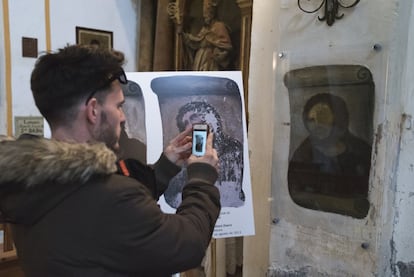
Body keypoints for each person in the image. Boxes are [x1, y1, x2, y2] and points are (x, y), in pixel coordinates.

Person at [0, 44, 220, 276]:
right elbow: (188, 245)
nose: (123, 117)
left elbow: (107, 210)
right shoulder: (112, 197)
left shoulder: (28, 179)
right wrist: (202, 178)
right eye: (119, 106)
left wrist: (166, 166)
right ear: (93, 111)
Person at [288, 93, 371, 218]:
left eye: (323, 117)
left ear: (339, 119)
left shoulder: (360, 151)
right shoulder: (303, 154)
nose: (317, 125)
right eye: (311, 120)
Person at [164, 101, 245, 208]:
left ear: (210, 117)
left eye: (193, 118)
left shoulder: (234, 148)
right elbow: (172, 196)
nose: (190, 126)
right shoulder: (187, 157)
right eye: (186, 123)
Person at [181, 0, 233, 71]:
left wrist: (217, 54)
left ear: (212, 13)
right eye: (204, 15)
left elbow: (226, 46)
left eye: (207, 13)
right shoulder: (205, 28)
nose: (205, 16)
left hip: (210, 61)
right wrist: (187, 37)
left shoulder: (219, 26)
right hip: (200, 58)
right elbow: (198, 41)